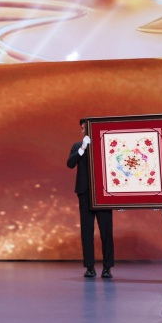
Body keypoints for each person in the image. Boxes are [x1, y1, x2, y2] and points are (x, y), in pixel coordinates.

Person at [67, 118, 114, 279]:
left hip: (103, 194)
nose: (84, 130)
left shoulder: (105, 144)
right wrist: (83, 148)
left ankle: (107, 267)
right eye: (82, 128)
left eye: (86, 127)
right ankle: (89, 267)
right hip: (85, 193)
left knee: (106, 231)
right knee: (87, 231)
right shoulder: (77, 146)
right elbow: (70, 164)